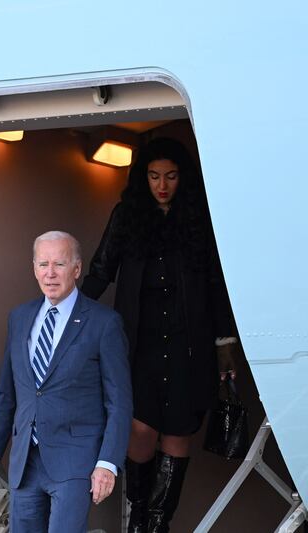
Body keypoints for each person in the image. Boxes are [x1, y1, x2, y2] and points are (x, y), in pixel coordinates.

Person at [80, 138, 239, 533]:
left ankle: (156, 524)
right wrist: (69, 313)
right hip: (139, 345)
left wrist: (225, 348)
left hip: (190, 344)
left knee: (178, 430)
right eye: (154, 176)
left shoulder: (200, 220)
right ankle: (138, 516)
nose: (162, 185)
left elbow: (218, 285)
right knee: (139, 428)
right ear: (143, 178)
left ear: (183, 178)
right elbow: (102, 269)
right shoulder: (127, 216)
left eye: (170, 176)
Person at [0, 231, 132, 533]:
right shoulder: (19, 318)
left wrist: (107, 463)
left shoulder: (104, 323)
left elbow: (119, 402)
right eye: (43, 264)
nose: (51, 273)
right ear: (34, 269)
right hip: (25, 463)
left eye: (59, 264)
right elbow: (7, 396)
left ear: (77, 270)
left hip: (75, 460)